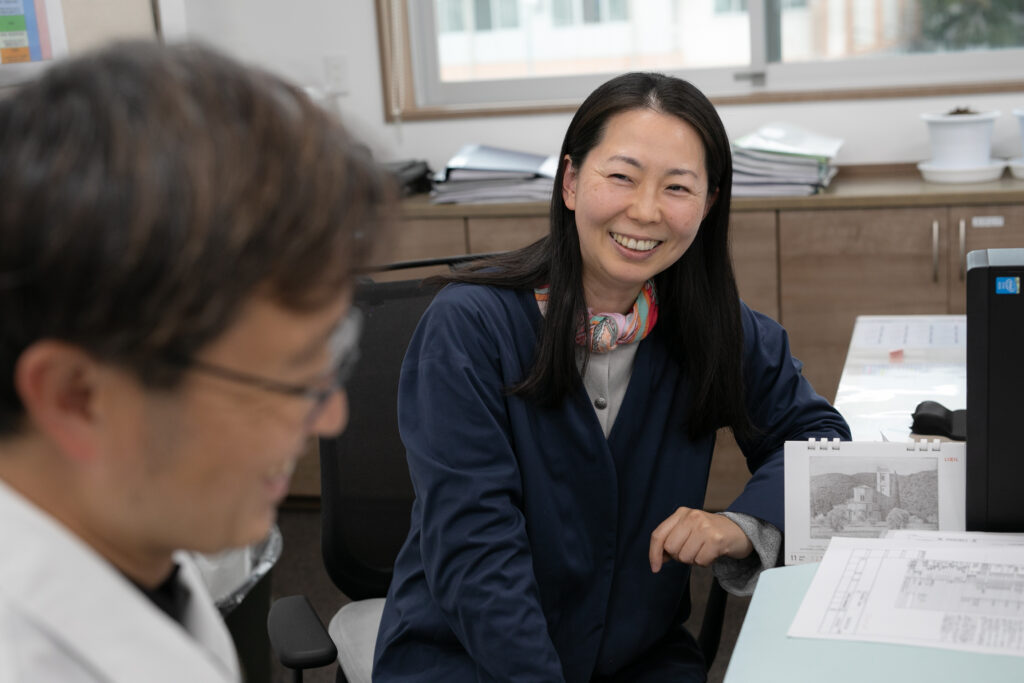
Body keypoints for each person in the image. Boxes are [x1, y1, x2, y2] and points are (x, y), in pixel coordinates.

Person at [373, 72, 850, 681]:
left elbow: (819, 441)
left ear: (707, 205)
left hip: (635, 656)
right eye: (622, 176)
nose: (645, 211)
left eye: (677, 187)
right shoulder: (469, 326)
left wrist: (742, 525)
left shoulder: (714, 326)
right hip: (471, 658)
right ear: (571, 182)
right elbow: (475, 553)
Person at [0, 41, 392, 681]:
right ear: (78, 396)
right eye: (286, 376)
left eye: (333, 353)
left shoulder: (139, 544)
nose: (331, 417)